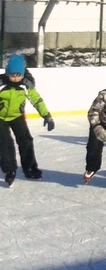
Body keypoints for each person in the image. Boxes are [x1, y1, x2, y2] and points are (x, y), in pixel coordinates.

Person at [0, 54, 54, 186]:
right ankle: (9, 170)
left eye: (19, 75)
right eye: (13, 75)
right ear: (7, 73)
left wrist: (46, 115)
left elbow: (36, 99)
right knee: (5, 143)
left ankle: (29, 168)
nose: (16, 78)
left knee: (26, 141)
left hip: (17, 116)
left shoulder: (26, 84)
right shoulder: (1, 83)